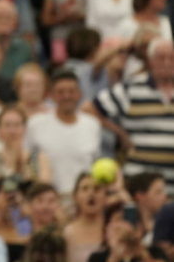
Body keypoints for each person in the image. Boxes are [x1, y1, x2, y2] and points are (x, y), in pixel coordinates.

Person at [90, 39, 174, 191]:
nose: (167, 63)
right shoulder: (131, 87)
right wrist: (120, 132)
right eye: (161, 57)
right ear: (150, 60)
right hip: (139, 182)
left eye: (171, 57)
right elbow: (89, 109)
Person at [27, 71, 101, 195]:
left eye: (71, 91)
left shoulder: (92, 125)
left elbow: (95, 164)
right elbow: (27, 162)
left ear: (79, 94)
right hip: (47, 199)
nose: (66, 96)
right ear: (52, 95)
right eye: (60, 92)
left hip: (83, 198)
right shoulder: (35, 124)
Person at [0, 105, 52, 184]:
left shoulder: (40, 158)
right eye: (7, 125)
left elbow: (44, 185)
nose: (13, 131)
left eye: (17, 125)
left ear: (25, 129)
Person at [64, 175, 107, 262]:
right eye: (85, 189)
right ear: (75, 196)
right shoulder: (67, 233)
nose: (91, 194)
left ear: (105, 196)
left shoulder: (113, 229)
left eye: (97, 189)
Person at [126, 172, 167, 243]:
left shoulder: (166, 224)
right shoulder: (126, 223)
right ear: (140, 196)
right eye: (158, 192)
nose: (164, 196)